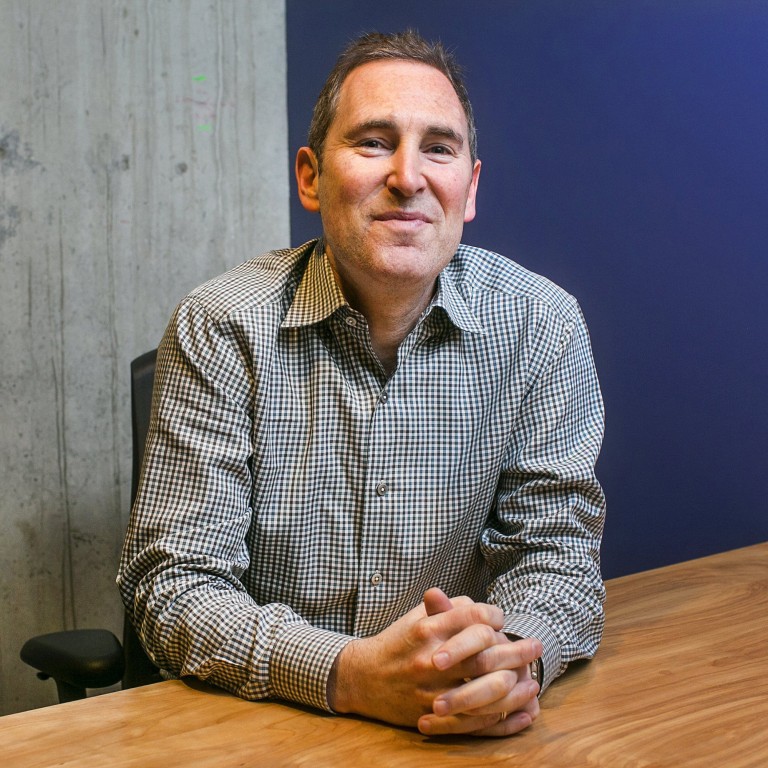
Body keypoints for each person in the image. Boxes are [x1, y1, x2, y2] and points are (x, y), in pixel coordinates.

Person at [118, 30, 606, 738]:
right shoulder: (221, 325)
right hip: (257, 728)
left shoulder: (542, 326)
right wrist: (349, 675)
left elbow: (556, 559)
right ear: (311, 176)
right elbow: (175, 589)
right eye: (374, 142)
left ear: (468, 189)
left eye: (438, 148)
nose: (408, 177)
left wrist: (507, 665)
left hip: (447, 729)